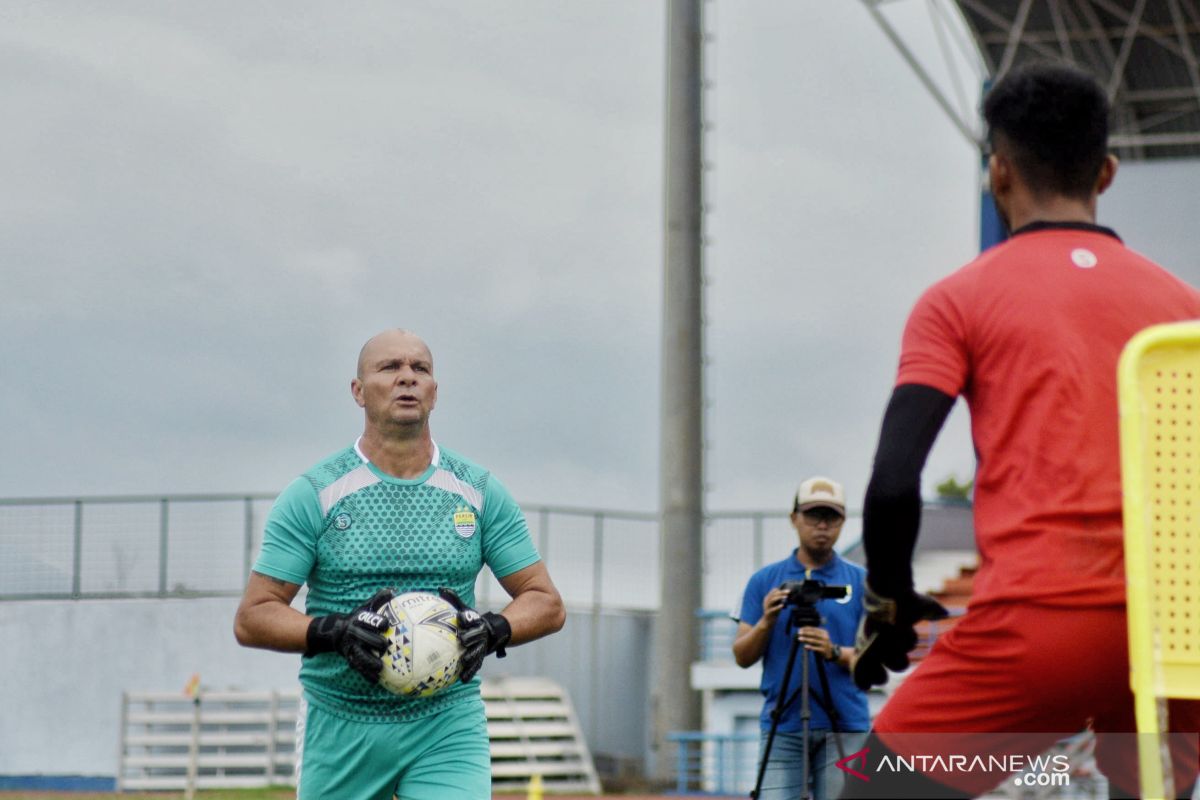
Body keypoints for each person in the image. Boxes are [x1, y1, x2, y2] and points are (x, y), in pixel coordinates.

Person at [846, 62, 1200, 799]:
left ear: (998, 173)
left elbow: (892, 482)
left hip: (1045, 625)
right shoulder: (1184, 307)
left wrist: (890, 600)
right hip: (1176, 632)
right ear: (1105, 172)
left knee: (876, 789)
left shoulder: (957, 301)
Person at [233, 328, 566, 800]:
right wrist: (336, 631)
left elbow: (546, 601)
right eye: (389, 368)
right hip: (341, 721)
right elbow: (254, 616)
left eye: (420, 369)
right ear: (358, 391)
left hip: (446, 721)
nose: (407, 378)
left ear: (435, 393)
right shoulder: (314, 494)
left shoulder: (479, 490)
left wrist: (494, 629)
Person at [733, 476, 870, 800]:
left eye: (831, 516)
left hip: (845, 723)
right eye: (812, 515)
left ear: (843, 522)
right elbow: (741, 656)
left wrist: (834, 651)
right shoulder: (765, 581)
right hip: (785, 725)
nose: (822, 525)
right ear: (794, 518)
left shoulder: (862, 582)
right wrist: (767, 621)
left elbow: (877, 659)